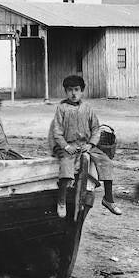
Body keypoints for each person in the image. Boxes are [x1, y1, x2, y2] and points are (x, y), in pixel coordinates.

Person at [49, 74, 121, 217]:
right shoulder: (61, 108)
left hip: (85, 145)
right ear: (66, 92)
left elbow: (96, 129)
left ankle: (108, 199)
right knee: (66, 165)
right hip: (68, 146)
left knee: (106, 162)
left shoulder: (87, 109)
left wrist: (91, 144)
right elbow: (56, 132)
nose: (74, 93)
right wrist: (66, 146)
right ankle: (62, 200)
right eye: (70, 90)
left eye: (77, 89)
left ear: (82, 91)